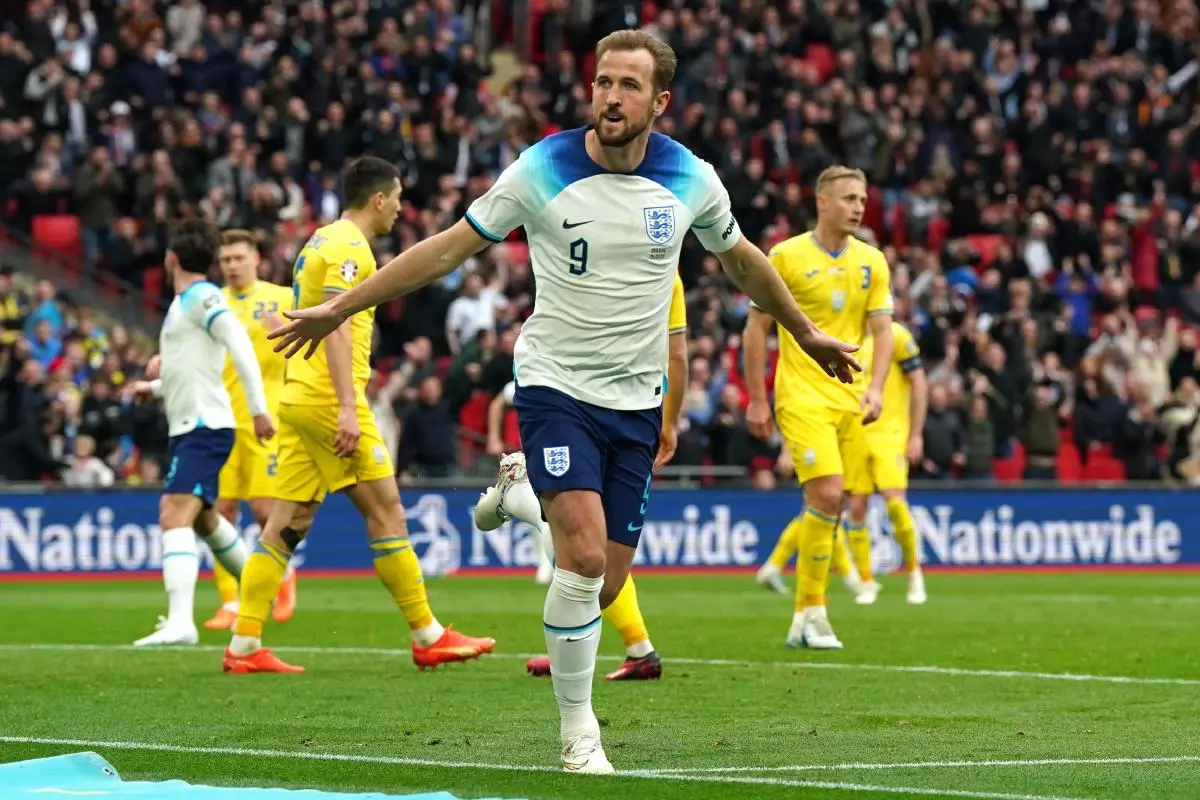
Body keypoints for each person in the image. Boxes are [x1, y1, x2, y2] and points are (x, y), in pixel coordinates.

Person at [268, 30, 858, 772]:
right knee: (578, 556)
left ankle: (522, 494)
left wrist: (804, 331)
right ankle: (580, 734)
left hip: (635, 402)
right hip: (555, 385)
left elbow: (741, 261)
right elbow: (446, 248)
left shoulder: (691, 177)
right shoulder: (542, 166)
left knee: (605, 583)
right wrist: (338, 307)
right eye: (603, 81)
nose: (611, 96)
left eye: (629, 85)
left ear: (660, 101)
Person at [221, 155, 496, 675]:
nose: (400, 208)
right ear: (378, 198)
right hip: (328, 399)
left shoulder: (319, 240)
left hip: (299, 396)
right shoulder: (350, 247)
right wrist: (349, 407)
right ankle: (427, 634)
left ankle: (244, 643)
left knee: (287, 522)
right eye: (398, 198)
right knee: (386, 511)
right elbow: (338, 322)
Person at [474, 272, 690, 681]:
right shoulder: (638, 259)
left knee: (602, 576)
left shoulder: (666, 273)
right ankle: (614, 668)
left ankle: (520, 495)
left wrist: (670, 420)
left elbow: (676, 353)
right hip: (571, 401)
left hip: (635, 412)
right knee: (582, 546)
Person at [743, 165, 894, 650]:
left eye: (863, 199)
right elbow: (756, 329)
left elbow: (884, 332)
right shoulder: (785, 256)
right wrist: (757, 398)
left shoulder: (873, 261)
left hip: (853, 399)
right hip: (802, 394)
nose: (858, 207)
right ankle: (816, 612)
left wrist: (877, 390)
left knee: (830, 503)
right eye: (849, 198)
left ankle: (804, 617)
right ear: (822, 202)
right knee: (828, 495)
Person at [126, 217, 275, 647]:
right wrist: (154, 388)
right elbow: (195, 367)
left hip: (205, 427)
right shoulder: (186, 302)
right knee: (206, 521)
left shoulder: (202, 296)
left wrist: (259, 410)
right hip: (191, 425)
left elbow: (240, 346)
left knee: (173, 513)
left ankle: (180, 623)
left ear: (171, 258)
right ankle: (260, 589)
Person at [757, 321, 928, 605]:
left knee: (895, 503)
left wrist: (916, 434)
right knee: (850, 507)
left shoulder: (896, 335)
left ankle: (914, 573)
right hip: (851, 429)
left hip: (890, 435)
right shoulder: (843, 332)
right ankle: (865, 581)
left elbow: (918, 382)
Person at [204, 229, 299, 631]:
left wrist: (287, 333)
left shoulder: (283, 298)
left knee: (264, 511)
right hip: (220, 420)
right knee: (219, 512)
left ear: (257, 258)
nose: (232, 266)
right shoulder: (211, 302)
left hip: (267, 419)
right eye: (226, 260)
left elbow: (309, 349)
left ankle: (284, 577)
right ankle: (230, 600)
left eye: (239, 258)